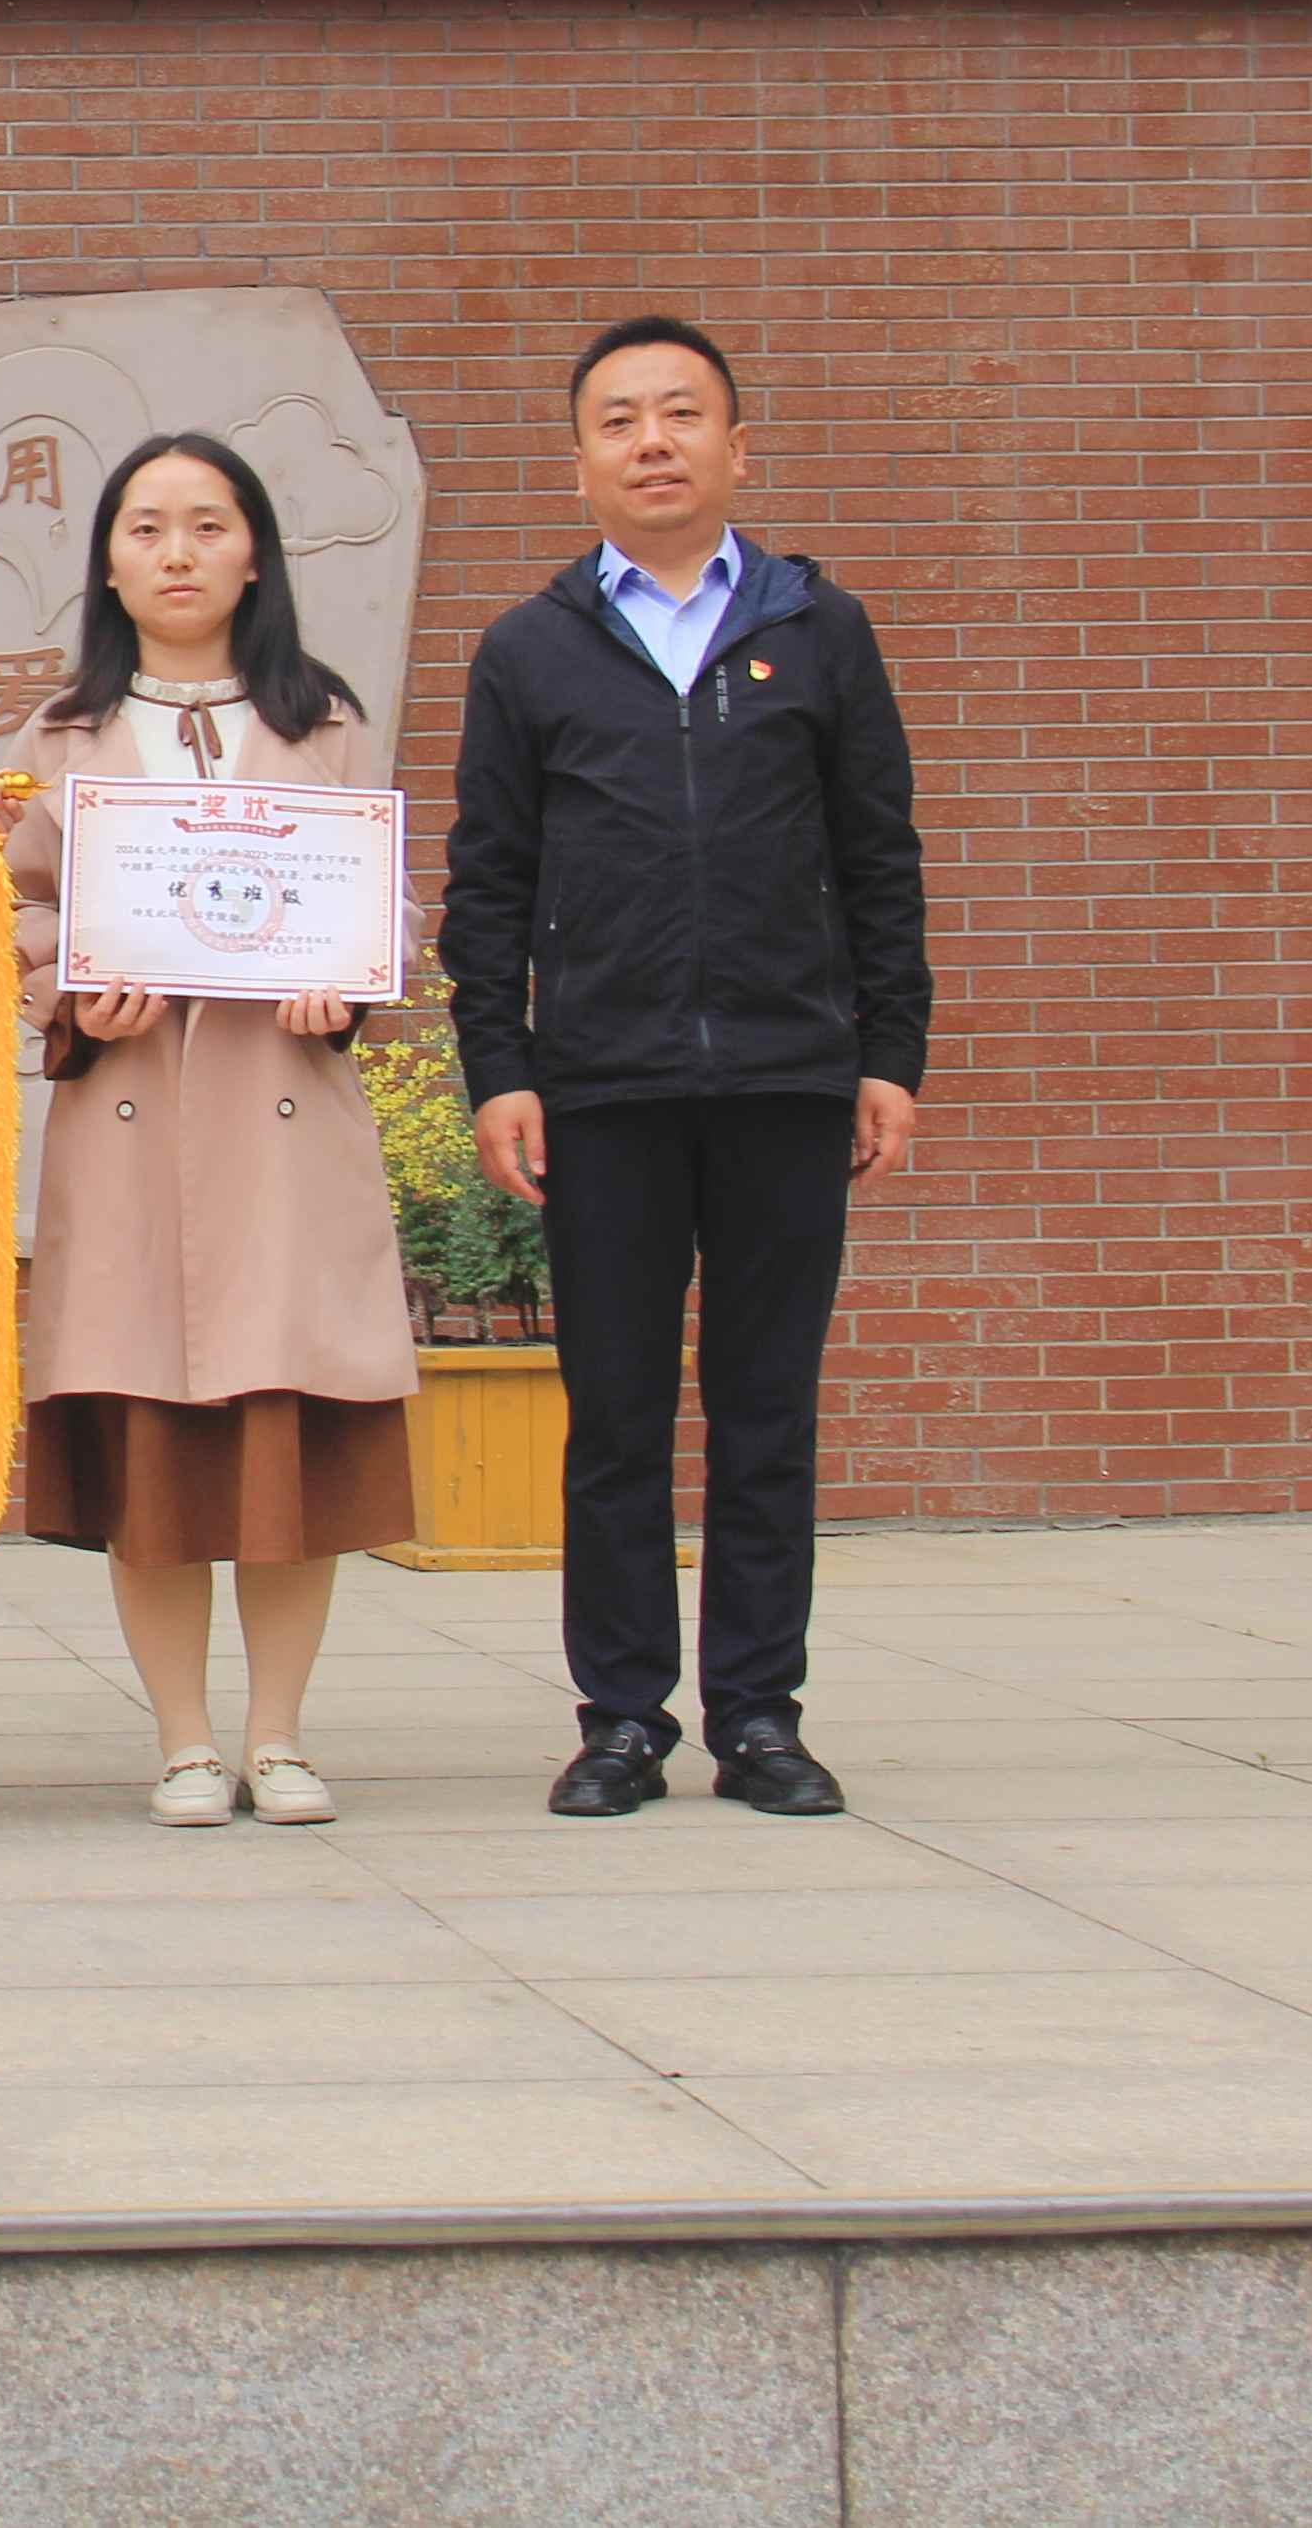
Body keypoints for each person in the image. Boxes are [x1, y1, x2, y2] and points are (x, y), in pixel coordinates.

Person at [439, 316, 930, 1823]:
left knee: (767, 1412)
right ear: (577, 460)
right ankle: (622, 1719)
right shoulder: (529, 651)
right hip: (603, 1089)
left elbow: (879, 856)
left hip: (789, 1079)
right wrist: (499, 1067)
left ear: (735, 445)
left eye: (679, 414)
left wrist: (889, 1055)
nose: (651, 442)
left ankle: (761, 1717)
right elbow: (488, 884)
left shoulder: (818, 629)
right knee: (617, 1419)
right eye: (618, 420)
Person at [3, 434, 419, 1827]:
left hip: (281, 1114)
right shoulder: (59, 737)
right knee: (153, 1447)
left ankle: (280, 1736)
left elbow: (379, 897)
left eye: (206, 524)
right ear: (108, 564)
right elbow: (7, 907)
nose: (176, 552)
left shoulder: (324, 722)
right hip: (130, 1120)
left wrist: (348, 977)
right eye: (145, 528)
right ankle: (184, 1740)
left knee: (286, 1428)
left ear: (254, 555)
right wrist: (72, 987)